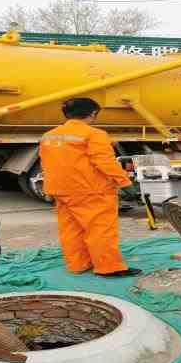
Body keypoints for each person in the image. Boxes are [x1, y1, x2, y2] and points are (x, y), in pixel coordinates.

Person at [39, 98, 141, 277]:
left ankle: (78, 264)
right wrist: (125, 183)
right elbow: (105, 162)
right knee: (100, 229)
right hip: (90, 190)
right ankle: (109, 267)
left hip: (59, 190)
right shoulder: (95, 134)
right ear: (93, 114)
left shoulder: (49, 135)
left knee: (71, 229)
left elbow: (47, 162)